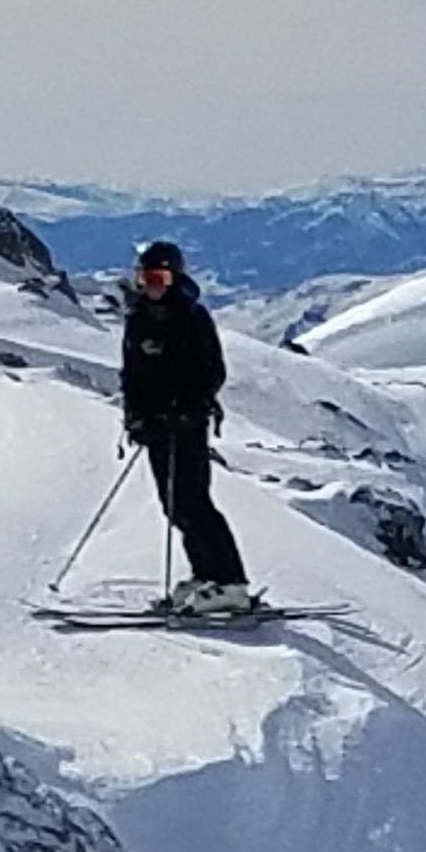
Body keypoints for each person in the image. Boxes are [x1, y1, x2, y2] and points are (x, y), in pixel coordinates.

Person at [119, 240, 253, 605]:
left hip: (186, 426)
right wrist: (134, 416)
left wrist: (190, 408)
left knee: (194, 501)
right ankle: (205, 575)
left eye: (160, 277)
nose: (152, 286)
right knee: (174, 505)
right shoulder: (138, 320)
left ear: (175, 278)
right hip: (155, 428)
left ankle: (230, 583)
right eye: (145, 278)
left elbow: (212, 370)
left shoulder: (191, 318)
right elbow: (131, 374)